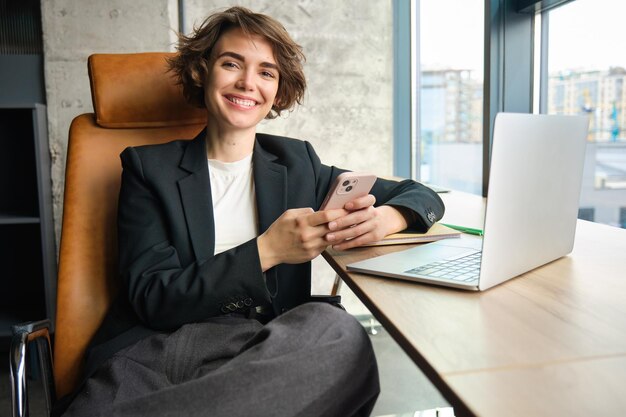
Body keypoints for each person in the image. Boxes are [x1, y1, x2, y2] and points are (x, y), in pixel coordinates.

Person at [60, 6, 444, 417]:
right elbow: (155, 299)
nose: (247, 82)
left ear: (278, 92)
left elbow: (421, 195)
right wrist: (268, 250)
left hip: (260, 347)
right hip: (159, 348)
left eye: (266, 72)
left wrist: (388, 218)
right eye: (231, 64)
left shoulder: (298, 164)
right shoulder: (147, 169)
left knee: (337, 333)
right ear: (202, 72)